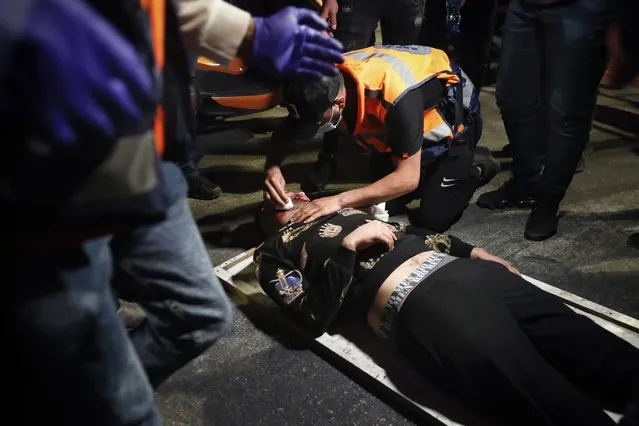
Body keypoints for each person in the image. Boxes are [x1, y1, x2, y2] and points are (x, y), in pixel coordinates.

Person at [5, 1, 344, 425]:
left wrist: (247, 33)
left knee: (199, 313)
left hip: (142, 148)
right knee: (107, 386)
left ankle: (96, 393)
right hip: (44, 182)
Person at [254, 191, 639, 426]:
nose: (294, 194)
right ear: (271, 219)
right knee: (540, 392)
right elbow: (311, 315)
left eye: (296, 190)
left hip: (468, 274)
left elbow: (417, 234)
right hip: (420, 301)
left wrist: (475, 251)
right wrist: (346, 249)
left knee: (590, 345)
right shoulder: (271, 252)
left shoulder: (340, 208)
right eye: (280, 198)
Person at [264, 44, 498, 233]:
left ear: (340, 103)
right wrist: (273, 168)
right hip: (405, 125)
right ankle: (423, 164)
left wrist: (338, 200)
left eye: (316, 121)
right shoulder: (320, 83)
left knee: (432, 219)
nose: (312, 127)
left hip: (452, 127)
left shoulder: (396, 97)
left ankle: (474, 165)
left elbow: (407, 178)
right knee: (382, 201)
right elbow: (286, 130)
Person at [475, 0, 617, 241]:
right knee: (512, 97)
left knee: (566, 112)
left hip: (584, 8)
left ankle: (548, 200)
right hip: (526, 5)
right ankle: (526, 181)